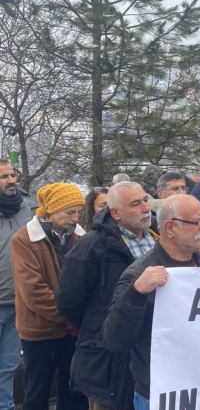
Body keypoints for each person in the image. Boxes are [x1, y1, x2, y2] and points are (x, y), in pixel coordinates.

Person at [103, 195, 200, 410]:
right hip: (160, 394)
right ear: (170, 228)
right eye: (198, 222)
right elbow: (114, 341)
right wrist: (135, 294)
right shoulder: (138, 275)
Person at [56, 182, 157, 410]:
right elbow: (68, 300)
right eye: (135, 203)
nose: (145, 208)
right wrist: (101, 327)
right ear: (116, 213)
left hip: (147, 356)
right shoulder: (92, 246)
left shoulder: (159, 239)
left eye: (145, 200)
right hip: (107, 360)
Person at [12, 183, 88, 410]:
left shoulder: (80, 237)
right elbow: (33, 291)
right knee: (37, 391)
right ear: (51, 211)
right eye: (69, 212)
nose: (75, 218)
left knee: (73, 390)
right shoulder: (23, 239)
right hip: (40, 329)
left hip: (72, 328)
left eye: (78, 212)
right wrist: (70, 315)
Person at [0, 160, 33, 410]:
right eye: (4, 177)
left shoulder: (28, 209)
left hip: (19, 302)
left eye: (12, 175)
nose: (11, 180)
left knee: (9, 365)